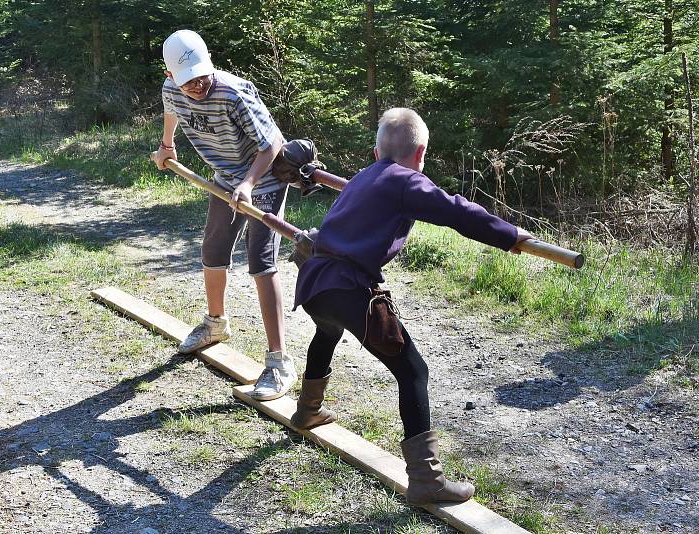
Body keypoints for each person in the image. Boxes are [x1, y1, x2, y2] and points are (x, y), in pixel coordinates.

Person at [289, 108, 532, 505]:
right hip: (347, 284)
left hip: (314, 279)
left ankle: (307, 411)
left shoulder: (365, 177)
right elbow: (455, 210)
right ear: (420, 156)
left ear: (375, 152)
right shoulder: (406, 180)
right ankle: (426, 480)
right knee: (413, 369)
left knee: (327, 330)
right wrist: (510, 235)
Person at [152, 29, 296, 400]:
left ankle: (279, 363)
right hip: (224, 180)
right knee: (213, 252)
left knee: (261, 263)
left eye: (202, 78)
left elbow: (273, 144)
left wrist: (248, 183)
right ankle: (215, 325)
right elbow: (172, 111)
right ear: (171, 77)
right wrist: (167, 146)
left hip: (261, 181)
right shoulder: (172, 90)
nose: (198, 87)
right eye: (189, 83)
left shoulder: (233, 93)